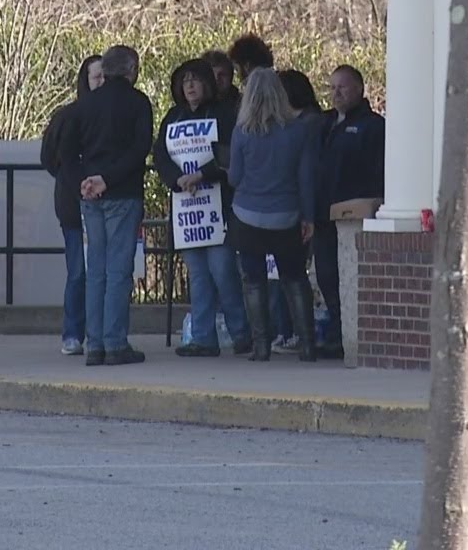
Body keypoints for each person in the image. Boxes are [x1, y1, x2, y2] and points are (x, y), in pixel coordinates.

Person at [60, 45, 154, 366]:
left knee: (95, 271)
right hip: (123, 193)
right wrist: (108, 179)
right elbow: (140, 149)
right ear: (132, 69)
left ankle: (94, 344)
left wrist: (83, 182)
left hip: (90, 197)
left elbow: (66, 152)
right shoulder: (138, 103)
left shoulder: (85, 104)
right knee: (118, 270)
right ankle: (115, 342)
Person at [152, 58, 249, 357]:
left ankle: (241, 334)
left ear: (207, 83)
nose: (190, 85)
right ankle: (203, 338)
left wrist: (202, 175)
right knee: (197, 275)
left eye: (195, 80)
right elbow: (160, 155)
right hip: (187, 210)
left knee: (223, 272)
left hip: (217, 206)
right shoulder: (173, 117)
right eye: (185, 81)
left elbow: (230, 156)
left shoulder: (223, 114)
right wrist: (177, 179)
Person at [227, 68, 318, 362]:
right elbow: (306, 178)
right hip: (286, 214)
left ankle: (261, 346)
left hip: (247, 214)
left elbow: (234, 177)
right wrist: (308, 217)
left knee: (253, 281)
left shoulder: (242, 132)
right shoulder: (298, 130)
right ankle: (307, 345)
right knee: (295, 278)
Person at [314, 64, 385, 359]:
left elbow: (379, 171)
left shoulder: (373, 126)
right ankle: (335, 331)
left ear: (359, 89)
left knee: (348, 277)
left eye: (342, 87)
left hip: (352, 216)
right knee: (326, 276)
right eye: (332, 88)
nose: (336, 93)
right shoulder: (325, 123)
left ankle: (347, 336)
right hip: (323, 214)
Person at [40, 54, 104, 356]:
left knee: (103, 271)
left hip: (105, 202)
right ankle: (72, 333)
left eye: (105, 77)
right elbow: (49, 157)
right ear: (85, 80)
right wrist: (75, 181)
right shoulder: (67, 116)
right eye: (96, 77)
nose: (101, 82)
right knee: (78, 271)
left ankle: (99, 331)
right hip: (72, 204)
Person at [267, 68, 325, 352]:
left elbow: (307, 171)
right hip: (292, 206)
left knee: (292, 274)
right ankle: (287, 329)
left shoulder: (308, 125)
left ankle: (297, 332)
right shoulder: (295, 125)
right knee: (285, 274)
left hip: (299, 208)